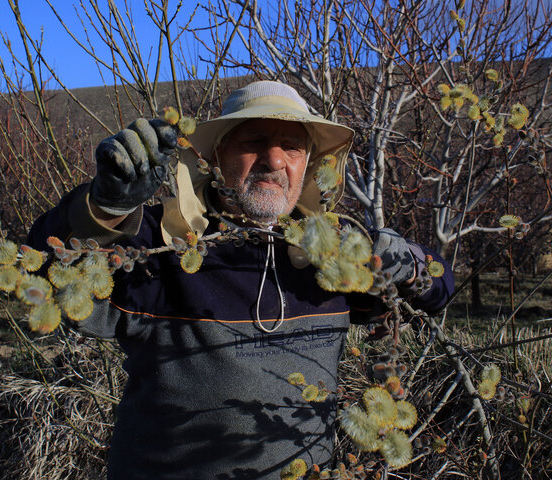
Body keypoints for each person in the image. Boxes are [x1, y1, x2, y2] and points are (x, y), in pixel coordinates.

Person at [28, 81, 454, 479]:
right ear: (217, 155)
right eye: (253, 142)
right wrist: (103, 208)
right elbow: (51, 277)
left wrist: (411, 264)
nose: (274, 160)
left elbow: (437, 293)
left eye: (291, 146)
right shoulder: (161, 245)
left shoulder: (334, 253)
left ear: (309, 163)